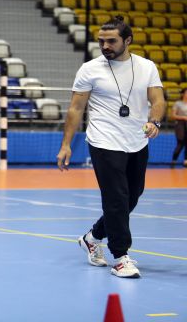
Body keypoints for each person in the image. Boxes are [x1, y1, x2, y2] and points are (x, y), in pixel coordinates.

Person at [56, 16, 166, 278]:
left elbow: (158, 99)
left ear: (127, 40)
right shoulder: (90, 69)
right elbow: (75, 108)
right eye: (101, 41)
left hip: (137, 140)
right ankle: (120, 256)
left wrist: (155, 122)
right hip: (104, 140)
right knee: (115, 198)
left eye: (111, 40)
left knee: (133, 195)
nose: (104, 45)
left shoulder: (146, 67)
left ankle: (92, 237)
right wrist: (66, 145)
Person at [170, 88, 187, 167]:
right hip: (180, 125)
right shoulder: (178, 103)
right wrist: (183, 117)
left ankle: (186, 161)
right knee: (181, 142)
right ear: (183, 94)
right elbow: (173, 116)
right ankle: (174, 160)